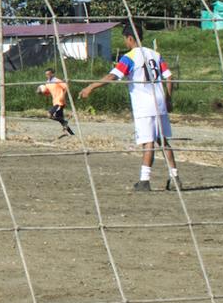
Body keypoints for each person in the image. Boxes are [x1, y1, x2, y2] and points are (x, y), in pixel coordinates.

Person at [80, 31, 179, 191]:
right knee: (162, 140)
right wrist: (168, 98)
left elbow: (113, 76)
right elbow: (169, 76)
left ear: (130, 38)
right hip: (159, 102)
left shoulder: (130, 57)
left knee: (148, 142)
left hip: (144, 105)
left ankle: (144, 181)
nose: (125, 42)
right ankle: (175, 177)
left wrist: (91, 86)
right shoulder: (155, 54)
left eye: (124, 39)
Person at [38, 68, 74, 137]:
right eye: (46, 74)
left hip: (60, 101)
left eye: (49, 74)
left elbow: (66, 87)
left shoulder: (57, 81)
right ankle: (72, 134)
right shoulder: (47, 83)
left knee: (49, 115)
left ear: (52, 74)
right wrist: (41, 92)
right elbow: (48, 93)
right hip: (55, 102)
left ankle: (65, 122)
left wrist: (63, 96)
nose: (47, 75)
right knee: (61, 121)